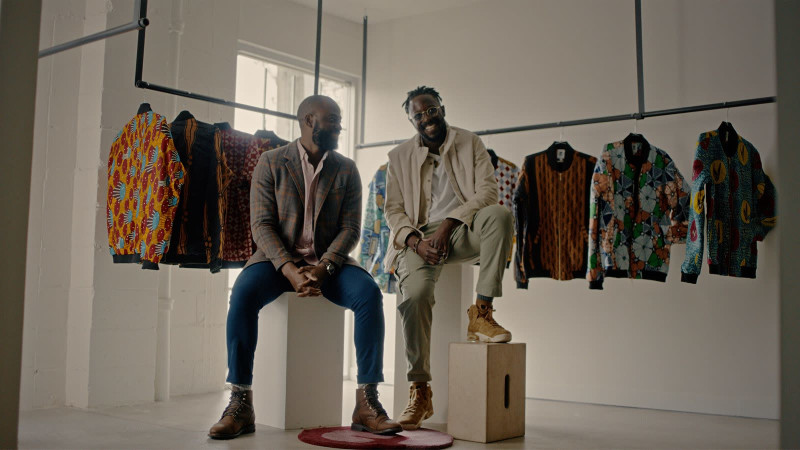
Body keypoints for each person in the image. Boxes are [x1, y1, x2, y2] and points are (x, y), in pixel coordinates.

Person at [208, 95, 401, 439]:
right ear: (310, 120)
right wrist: (290, 269)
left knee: (369, 295)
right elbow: (261, 225)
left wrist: (324, 268)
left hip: (330, 264)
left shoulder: (346, 168)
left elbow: (351, 229)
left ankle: (366, 401)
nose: (339, 125)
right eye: (334, 119)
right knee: (242, 293)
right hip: (275, 262)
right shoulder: (270, 162)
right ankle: (240, 402)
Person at [384, 86, 514, 431]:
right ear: (411, 120)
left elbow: (488, 192)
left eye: (431, 110)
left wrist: (450, 224)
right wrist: (415, 241)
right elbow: (393, 212)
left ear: (441, 108)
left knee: (500, 215)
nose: (427, 118)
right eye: (419, 115)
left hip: (461, 228)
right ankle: (420, 389)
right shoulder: (398, 158)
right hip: (418, 237)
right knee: (416, 297)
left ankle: (482, 313)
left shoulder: (469, 142)